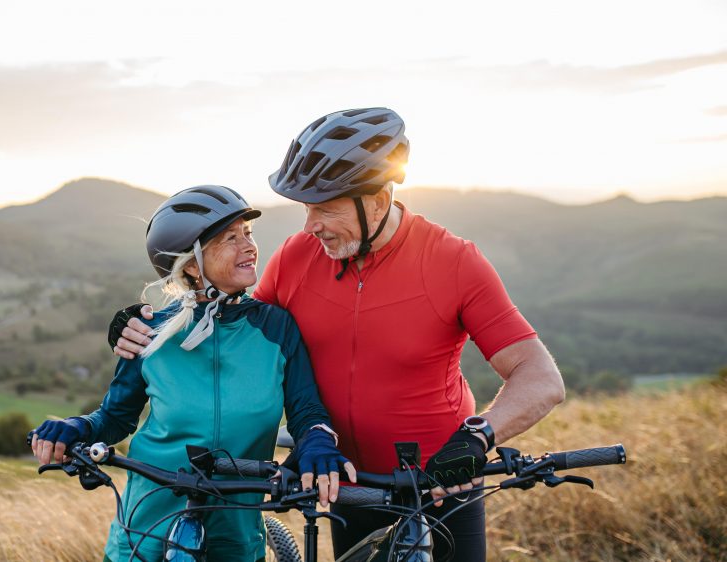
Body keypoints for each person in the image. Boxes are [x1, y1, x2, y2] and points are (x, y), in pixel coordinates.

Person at [110, 108, 566, 561]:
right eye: (306, 208)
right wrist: (152, 319)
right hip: (347, 490)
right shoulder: (295, 257)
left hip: (438, 487)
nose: (310, 226)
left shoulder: (454, 261)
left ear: (379, 200)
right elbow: (237, 328)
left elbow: (539, 376)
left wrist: (477, 438)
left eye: (325, 209)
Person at [30, 185, 355, 562]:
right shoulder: (150, 331)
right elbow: (115, 418)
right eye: (229, 238)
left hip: (237, 532)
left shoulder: (276, 328)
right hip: (146, 529)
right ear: (190, 264)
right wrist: (77, 428)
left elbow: (305, 410)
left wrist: (317, 440)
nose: (248, 246)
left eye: (248, 234)